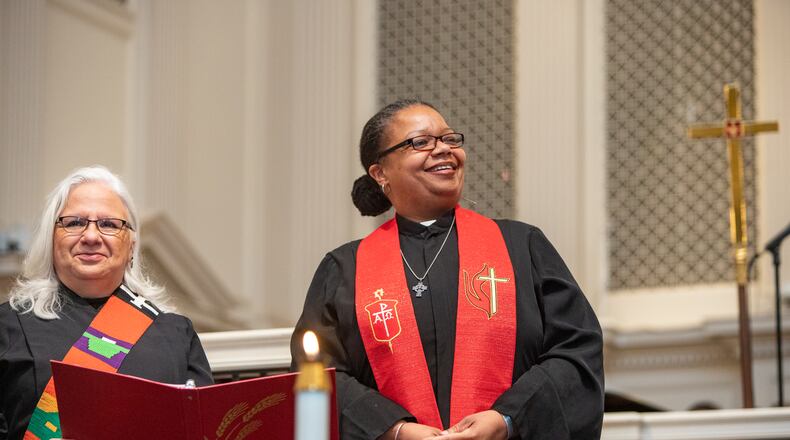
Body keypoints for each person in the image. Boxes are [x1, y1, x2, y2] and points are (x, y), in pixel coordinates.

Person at [291, 99, 604, 440]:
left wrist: (507, 419)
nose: (443, 150)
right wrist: (394, 430)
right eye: (421, 142)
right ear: (380, 173)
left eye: (450, 139)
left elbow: (577, 352)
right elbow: (316, 376)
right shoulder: (345, 270)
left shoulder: (521, 247)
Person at [0, 166, 213, 440]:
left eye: (109, 225)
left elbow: (203, 429)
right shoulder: (7, 325)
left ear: (132, 245)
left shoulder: (175, 334)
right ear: (50, 237)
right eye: (74, 222)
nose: (91, 237)